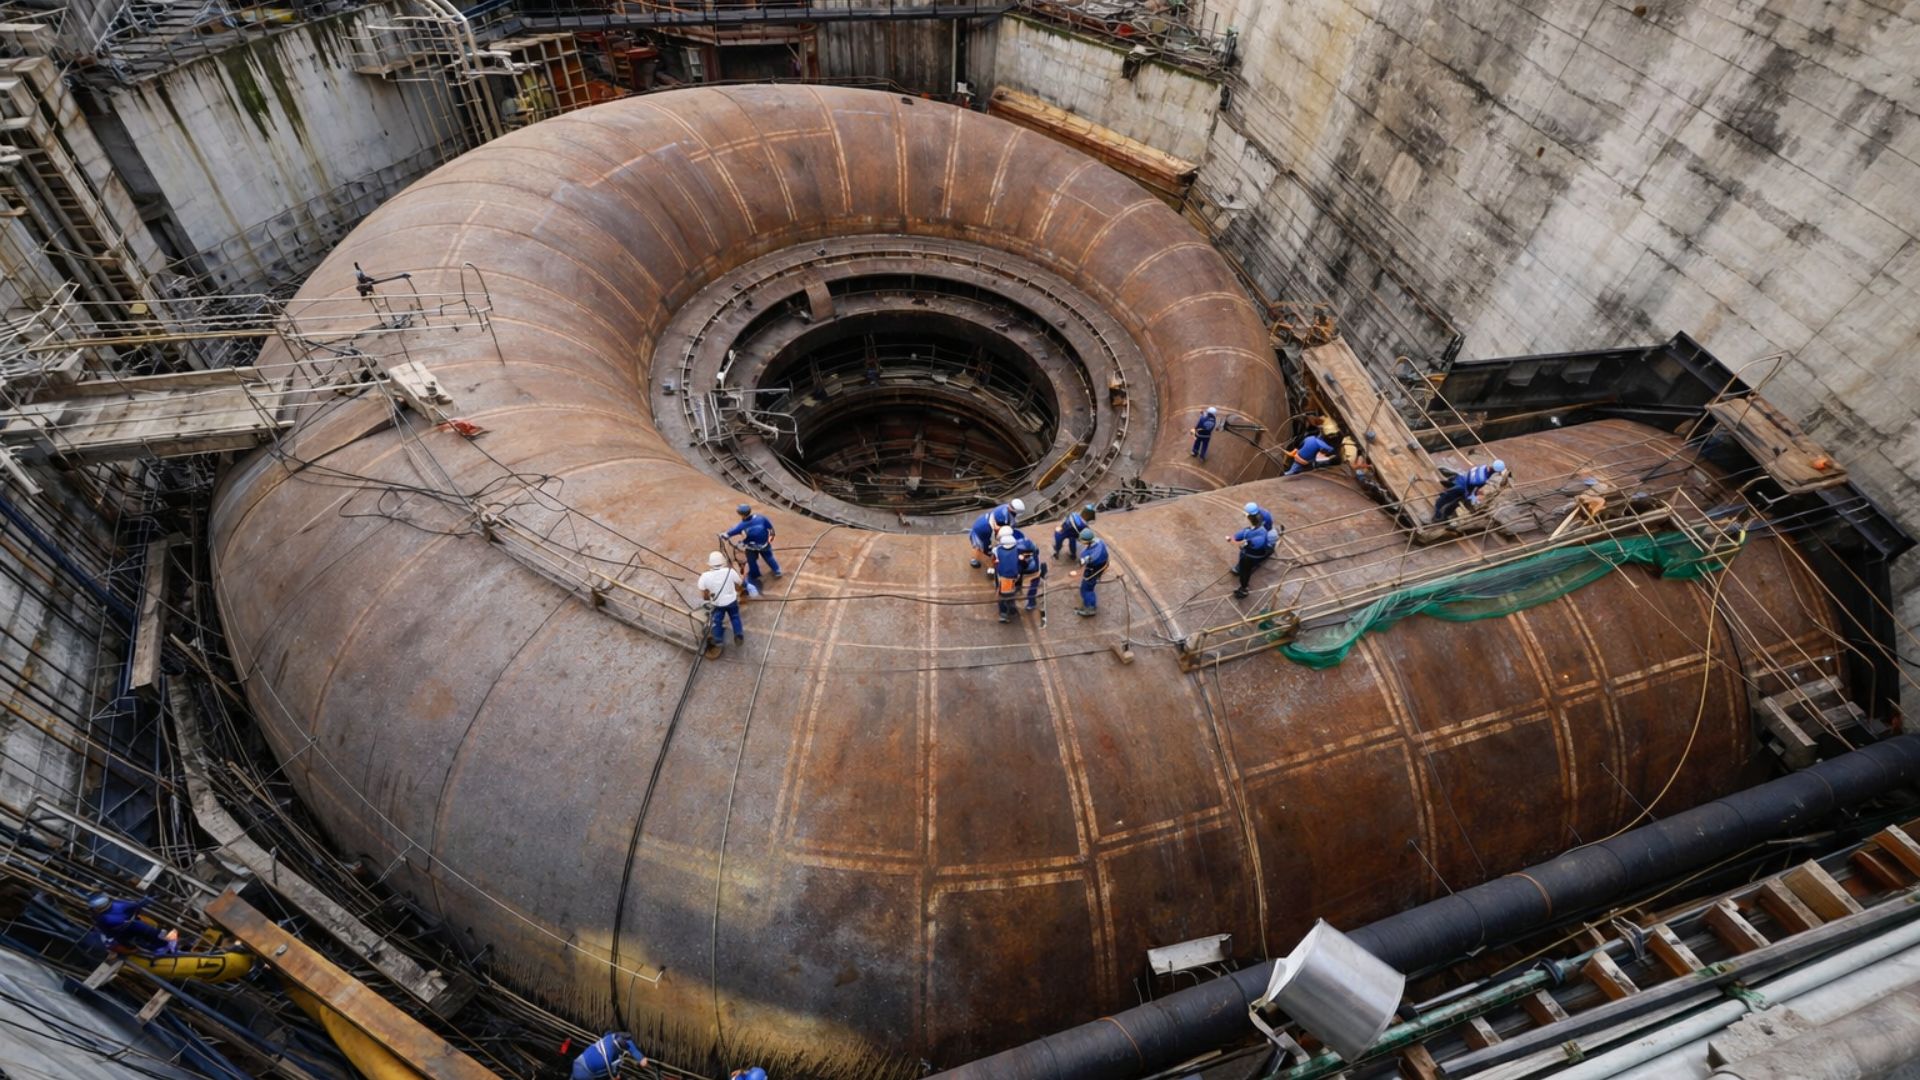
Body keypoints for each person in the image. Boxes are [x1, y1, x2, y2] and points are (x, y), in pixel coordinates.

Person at [87, 892, 178, 956]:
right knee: (152, 935)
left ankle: (163, 949)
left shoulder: (104, 918)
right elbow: (137, 904)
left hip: (129, 930)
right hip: (131, 929)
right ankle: (163, 948)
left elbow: (109, 935)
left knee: (150, 937)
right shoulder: (117, 907)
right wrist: (148, 899)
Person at [990, 526, 1044, 622]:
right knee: (1014, 592)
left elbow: (995, 562)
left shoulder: (998, 550)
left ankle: (1005, 612)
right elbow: (1029, 557)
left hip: (1006, 576)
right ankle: (1019, 606)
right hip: (1022, 573)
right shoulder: (1022, 546)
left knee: (1004, 594)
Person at [1431, 459, 1508, 524]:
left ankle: (1451, 486)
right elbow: (1472, 489)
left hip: (1460, 478)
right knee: (1448, 502)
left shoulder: (1482, 467)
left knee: (1451, 499)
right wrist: (1472, 496)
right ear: (1496, 471)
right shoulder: (1482, 479)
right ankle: (1438, 517)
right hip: (1461, 487)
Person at [725, 504, 781, 587]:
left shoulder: (742, 525)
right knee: (769, 557)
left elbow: (731, 532)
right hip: (764, 544)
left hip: (751, 547)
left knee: (751, 560)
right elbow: (771, 529)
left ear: (741, 514)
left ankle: (755, 575)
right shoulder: (761, 518)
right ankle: (777, 571)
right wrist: (770, 540)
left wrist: (724, 535)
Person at [699, 551, 745, 650]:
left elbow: (704, 594)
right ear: (723, 562)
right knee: (735, 617)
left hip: (717, 603)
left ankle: (718, 639)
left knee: (717, 620)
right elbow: (740, 582)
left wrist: (708, 598)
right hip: (732, 601)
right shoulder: (730, 572)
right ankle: (738, 634)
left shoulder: (704, 576)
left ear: (710, 564)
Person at [1226, 515, 1280, 599]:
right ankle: (1240, 572)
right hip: (1254, 554)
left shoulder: (1257, 537)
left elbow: (1242, 543)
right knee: (1246, 567)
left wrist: (1231, 540)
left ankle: (1244, 589)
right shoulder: (1260, 531)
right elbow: (1239, 537)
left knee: (1245, 572)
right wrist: (1234, 538)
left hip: (1250, 556)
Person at [967, 498, 1026, 569]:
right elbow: (988, 543)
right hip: (980, 530)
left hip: (981, 523)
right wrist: (991, 552)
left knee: (985, 548)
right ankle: (975, 561)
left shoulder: (1006, 507)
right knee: (980, 548)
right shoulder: (999, 520)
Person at [572, 1032, 647, 1080]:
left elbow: (629, 1044)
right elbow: (612, 1074)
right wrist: (615, 1076)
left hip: (578, 1062)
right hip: (586, 1073)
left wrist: (640, 1058)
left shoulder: (610, 1037)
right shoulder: (608, 1055)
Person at [1075, 528, 1108, 617]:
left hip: (1093, 570)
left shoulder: (1088, 554)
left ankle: (1090, 608)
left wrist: (1082, 560)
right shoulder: (1100, 542)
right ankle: (1089, 602)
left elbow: (1084, 562)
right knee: (1087, 588)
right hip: (1102, 565)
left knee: (1087, 589)